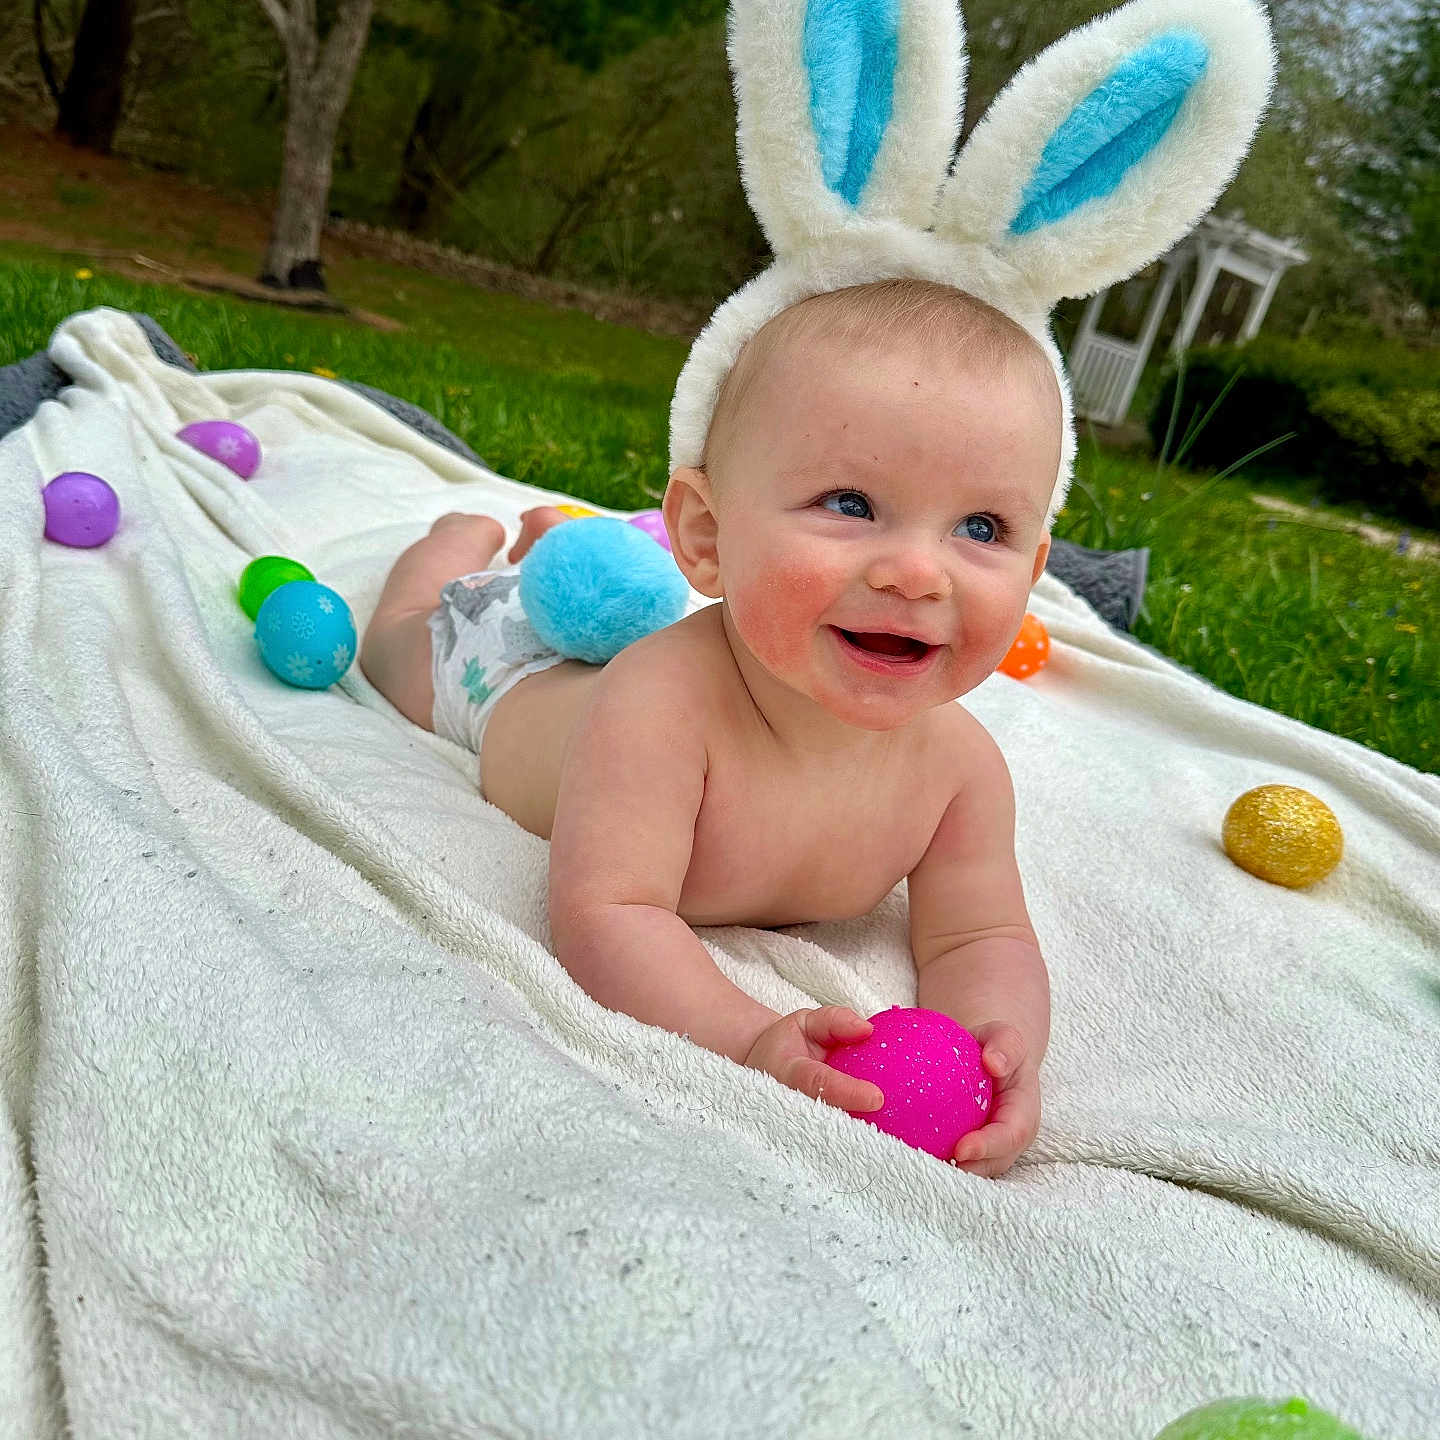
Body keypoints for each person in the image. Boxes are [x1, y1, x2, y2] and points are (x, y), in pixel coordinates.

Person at [360, 277, 1062, 1177]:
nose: (919, 573)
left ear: (1034, 568)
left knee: (588, 601)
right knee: (394, 653)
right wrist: (750, 1037)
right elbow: (609, 913)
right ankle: (452, 550)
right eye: (850, 504)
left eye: (981, 526)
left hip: (606, 654)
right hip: (503, 678)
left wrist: (998, 1058)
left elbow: (981, 938)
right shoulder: (661, 706)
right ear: (706, 535)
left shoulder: (961, 772)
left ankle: (552, 538)